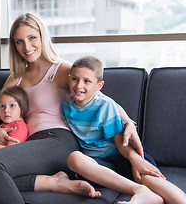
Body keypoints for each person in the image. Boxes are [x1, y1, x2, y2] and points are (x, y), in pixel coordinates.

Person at [0, 12, 143, 204]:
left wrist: (128, 124)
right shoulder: (14, 79)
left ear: (42, 37)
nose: (26, 46)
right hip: (27, 147)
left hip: (58, 141)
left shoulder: (60, 70)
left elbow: (104, 101)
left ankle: (52, 180)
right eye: (19, 41)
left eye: (32, 38)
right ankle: (52, 183)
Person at [62, 55, 186, 204]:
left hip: (125, 153)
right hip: (102, 164)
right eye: (75, 79)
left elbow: (120, 141)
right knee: (74, 158)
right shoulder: (65, 106)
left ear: (99, 86)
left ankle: (146, 195)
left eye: (86, 81)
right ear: (69, 78)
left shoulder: (105, 105)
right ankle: (143, 194)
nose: (79, 85)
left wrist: (135, 161)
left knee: (148, 178)